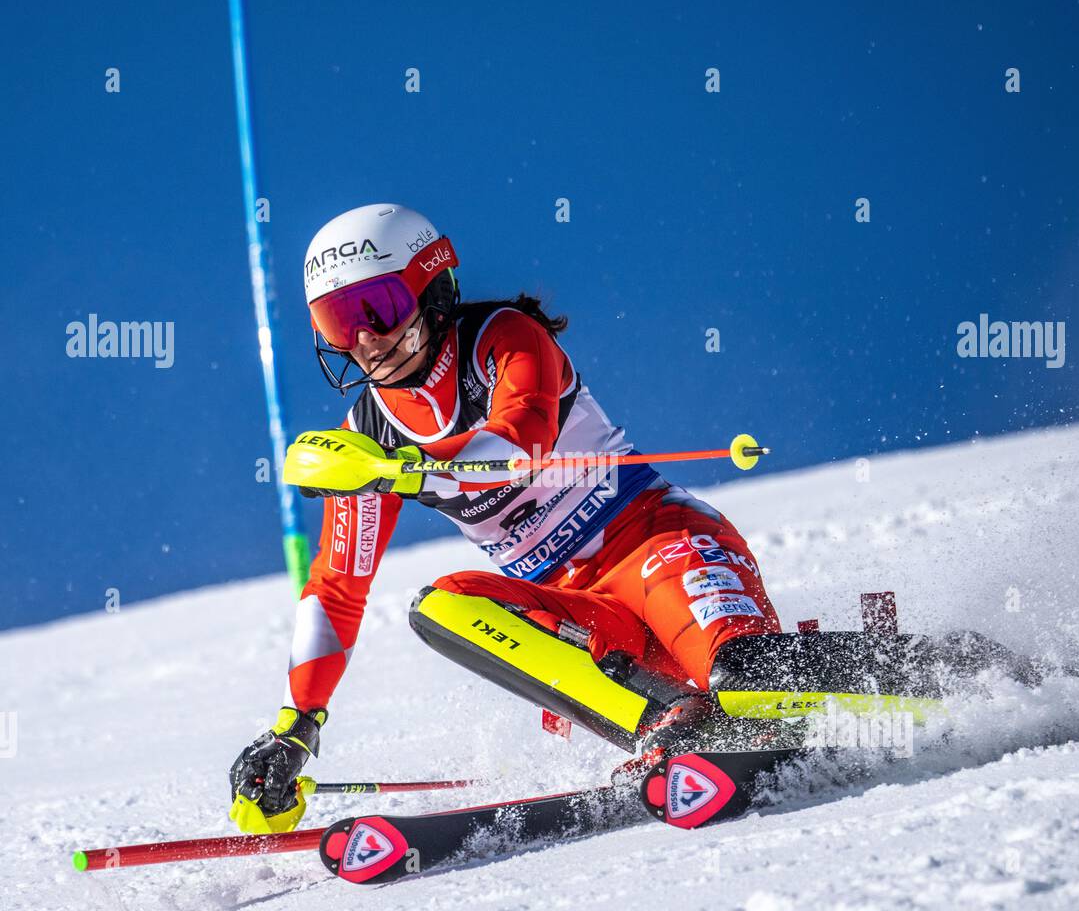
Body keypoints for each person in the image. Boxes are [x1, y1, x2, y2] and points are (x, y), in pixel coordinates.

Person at [229, 204, 783, 833]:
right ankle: (668, 721)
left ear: (431, 290)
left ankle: (856, 688)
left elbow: (521, 445)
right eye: (337, 321)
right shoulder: (370, 436)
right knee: (440, 605)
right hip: (580, 618)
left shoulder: (505, 337)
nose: (361, 338)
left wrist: (400, 466)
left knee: (748, 676)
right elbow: (336, 588)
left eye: (375, 308)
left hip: (656, 544)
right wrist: (294, 727)